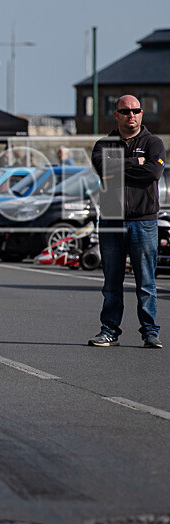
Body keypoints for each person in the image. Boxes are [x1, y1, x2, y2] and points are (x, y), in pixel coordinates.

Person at [88, 94, 164, 348]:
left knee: (146, 282)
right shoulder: (103, 144)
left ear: (141, 114)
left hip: (143, 222)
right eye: (125, 111)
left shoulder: (154, 143)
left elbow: (153, 172)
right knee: (111, 282)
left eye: (135, 111)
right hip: (111, 221)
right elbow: (105, 170)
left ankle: (150, 332)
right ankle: (109, 331)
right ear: (117, 115)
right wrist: (135, 162)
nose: (131, 115)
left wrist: (120, 166)